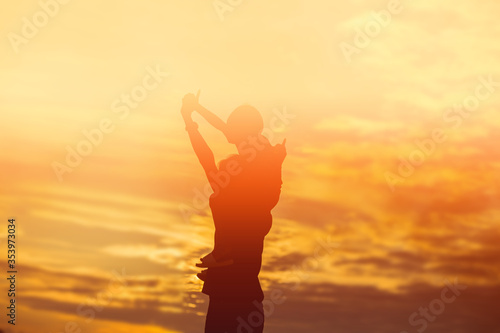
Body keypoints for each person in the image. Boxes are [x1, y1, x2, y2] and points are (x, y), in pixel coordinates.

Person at [181, 92, 286, 333]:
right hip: (237, 298)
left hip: (234, 300)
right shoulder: (251, 178)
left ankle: (222, 253)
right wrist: (195, 112)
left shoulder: (236, 185)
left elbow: (208, 156)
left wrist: (191, 119)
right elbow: (224, 133)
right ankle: (221, 252)